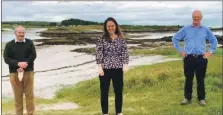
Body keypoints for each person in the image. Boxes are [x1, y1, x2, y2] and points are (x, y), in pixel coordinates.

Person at [172, 10, 218, 106]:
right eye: (194, 16)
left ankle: (201, 99)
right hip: (188, 58)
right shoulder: (186, 29)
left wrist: (210, 52)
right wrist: (181, 51)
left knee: (200, 79)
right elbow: (175, 38)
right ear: (192, 17)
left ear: (201, 18)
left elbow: (214, 41)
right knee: (188, 78)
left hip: (201, 58)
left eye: (198, 17)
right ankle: (187, 98)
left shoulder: (205, 29)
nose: (196, 18)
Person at [96, 17, 129, 115]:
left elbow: (124, 52)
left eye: (112, 26)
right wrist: (99, 67)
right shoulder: (101, 39)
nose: (110, 28)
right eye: (108, 26)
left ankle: (118, 112)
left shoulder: (121, 39)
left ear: (115, 26)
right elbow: (99, 54)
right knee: (104, 92)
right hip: (105, 69)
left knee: (118, 91)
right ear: (106, 27)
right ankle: (105, 112)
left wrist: (125, 64)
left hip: (118, 68)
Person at [4, 25, 37, 115]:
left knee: (29, 96)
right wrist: (18, 64)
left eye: (23, 32)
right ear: (15, 33)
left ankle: (30, 113)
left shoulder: (29, 43)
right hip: (14, 73)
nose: (21, 34)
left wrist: (24, 64)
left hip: (28, 72)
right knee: (18, 97)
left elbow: (33, 55)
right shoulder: (9, 45)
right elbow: (6, 59)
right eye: (19, 32)